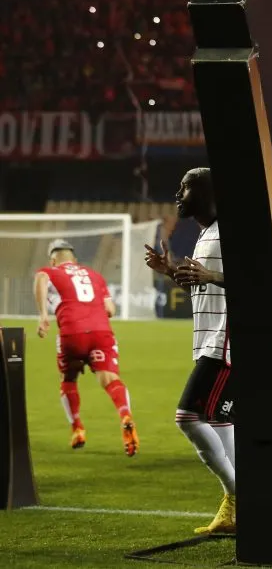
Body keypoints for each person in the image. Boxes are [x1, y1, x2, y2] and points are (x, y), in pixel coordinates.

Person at [144, 167, 235, 535]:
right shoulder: (206, 233)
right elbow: (206, 288)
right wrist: (171, 272)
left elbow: (259, 279)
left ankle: (241, 494)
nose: (177, 195)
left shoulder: (231, 230)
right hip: (210, 341)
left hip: (225, 344)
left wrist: (210, 276)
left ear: (206, 192)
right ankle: (235, 511)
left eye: (185, 188)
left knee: (188, 417)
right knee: (220, 422)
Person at [33, 239, 140, 456]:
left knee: (69, 379)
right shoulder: (95, 275)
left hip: (72, 333)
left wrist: (43, 314)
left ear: (53, 260)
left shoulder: (50, 271)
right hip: (101, 332)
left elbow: (41, 278)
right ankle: (125, 415)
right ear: (74, 259)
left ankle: (77, 428)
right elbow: (110, 309)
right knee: (110, 379)